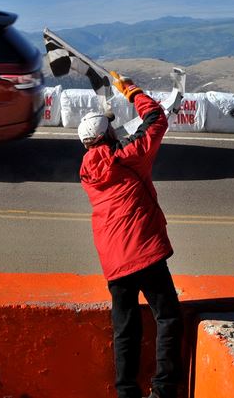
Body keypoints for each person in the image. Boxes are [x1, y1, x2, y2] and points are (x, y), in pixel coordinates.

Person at [77, 74, 183, 398]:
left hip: (113, 259)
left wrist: (109, 127)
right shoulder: (129, 155)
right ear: (108, 135)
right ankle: (163, 389)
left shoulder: (86, 170)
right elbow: (155, 118)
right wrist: (130, 89)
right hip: (142, 250)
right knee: (167, 317)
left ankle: (127, 392)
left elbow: (110, 145)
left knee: (126, 329)